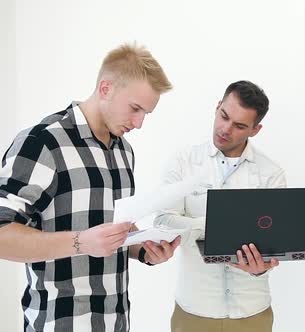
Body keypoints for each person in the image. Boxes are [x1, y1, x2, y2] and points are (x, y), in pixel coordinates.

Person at [0, 43, 181, 331]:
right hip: (58, 324)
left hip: (116, 322)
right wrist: (80, 242)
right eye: (135, 108)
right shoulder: (43, 143)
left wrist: (142, 249)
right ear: (106, 88)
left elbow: (109, 226)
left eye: (146, 113)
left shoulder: (124, 151)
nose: (139, 123)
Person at [154, 80, 285, 332]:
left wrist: (260, 268)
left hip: (252, 313)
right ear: (217, 107)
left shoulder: (271, 173)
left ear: (255, 129)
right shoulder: (183, 162)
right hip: (194, 311)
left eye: (239, 126)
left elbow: (274, 242)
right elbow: (164, 221)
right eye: (224, 116)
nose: (225, 129)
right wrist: (215, 225)